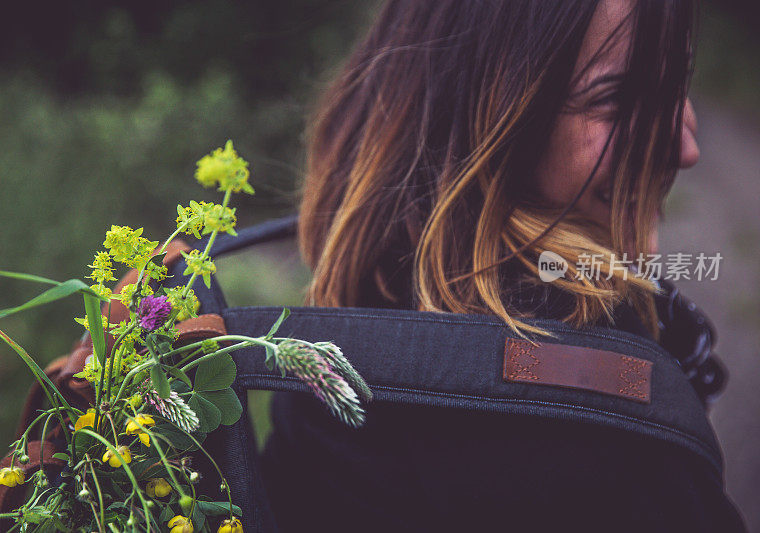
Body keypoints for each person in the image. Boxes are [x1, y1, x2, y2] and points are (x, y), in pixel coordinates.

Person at [258, 0, 746, 531]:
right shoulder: (597, 401)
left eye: (678, 82)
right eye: (616, 100)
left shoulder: (339, 327)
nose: (685, 146)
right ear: (478, 120)